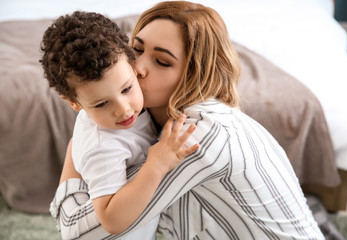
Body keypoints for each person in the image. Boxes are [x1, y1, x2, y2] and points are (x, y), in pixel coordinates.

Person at [50, 1, 325, 239]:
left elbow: (79, 230)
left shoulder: (194, 136)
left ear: (194, 74)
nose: (139, 68)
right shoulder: (152, 119)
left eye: (162, 61)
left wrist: (79, 141)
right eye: (137, 49)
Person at [40, 11, 199, 240]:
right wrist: (155, 165)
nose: (124, 109)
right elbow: (111, 220)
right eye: (102, 104)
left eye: (126, 89)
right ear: (75, 103)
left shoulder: (125, 101)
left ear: (133, 66)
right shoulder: (103, 148)